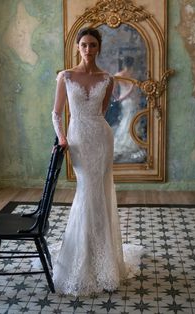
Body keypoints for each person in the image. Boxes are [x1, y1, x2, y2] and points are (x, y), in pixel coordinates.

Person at [51, 27, 143, 296]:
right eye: (84, 45)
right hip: (78, 138)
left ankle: (103, 257)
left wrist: (92, 127)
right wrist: (62, 139)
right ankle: (82, 255)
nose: (88, 49)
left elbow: (102, 112)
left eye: (92, 45)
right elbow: (56, 114)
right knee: (87, 190)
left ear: (98, 47)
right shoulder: (65, 77)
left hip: (101, 139)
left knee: (100, 193)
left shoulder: (107, 79)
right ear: (77, 47)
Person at [113, 56, 146, 163]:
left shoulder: (118, 75)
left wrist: (119, 98)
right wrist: (124, 96)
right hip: (131, 101)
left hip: (125, 101)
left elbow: (113, 91)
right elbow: (134, 91)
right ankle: (131, 142)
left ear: (123, 64)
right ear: (132, 64)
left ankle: (129, 142)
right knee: (130, 121)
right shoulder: (133, 76)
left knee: (127, 121)